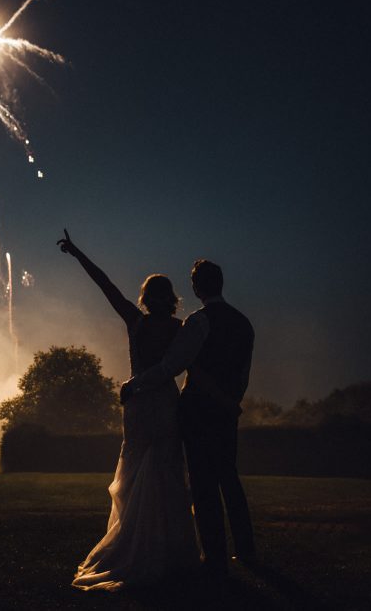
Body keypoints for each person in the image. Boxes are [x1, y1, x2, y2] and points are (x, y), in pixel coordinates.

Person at [58, 230, 199, 590]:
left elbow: (105, 285)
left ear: (146, 299)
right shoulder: (182, 328)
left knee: (137, 473)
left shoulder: (136, 322)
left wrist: (77, 253)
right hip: (164, 401)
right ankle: (172, 550)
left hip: (137, 402)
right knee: (166, 472)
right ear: (171, 299)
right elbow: (176, 366)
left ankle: (135, 545)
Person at [124, 259, 255, 579]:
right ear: (221, 283)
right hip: (226, 411)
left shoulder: (197, 322)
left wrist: (135, 383)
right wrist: (231, 402)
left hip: (197, 410)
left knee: (203, 484)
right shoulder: (244, 323)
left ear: (197, 287)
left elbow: (173, 365)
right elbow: (243, 374)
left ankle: (215, 557)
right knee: (229, 477)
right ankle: (246, 548)